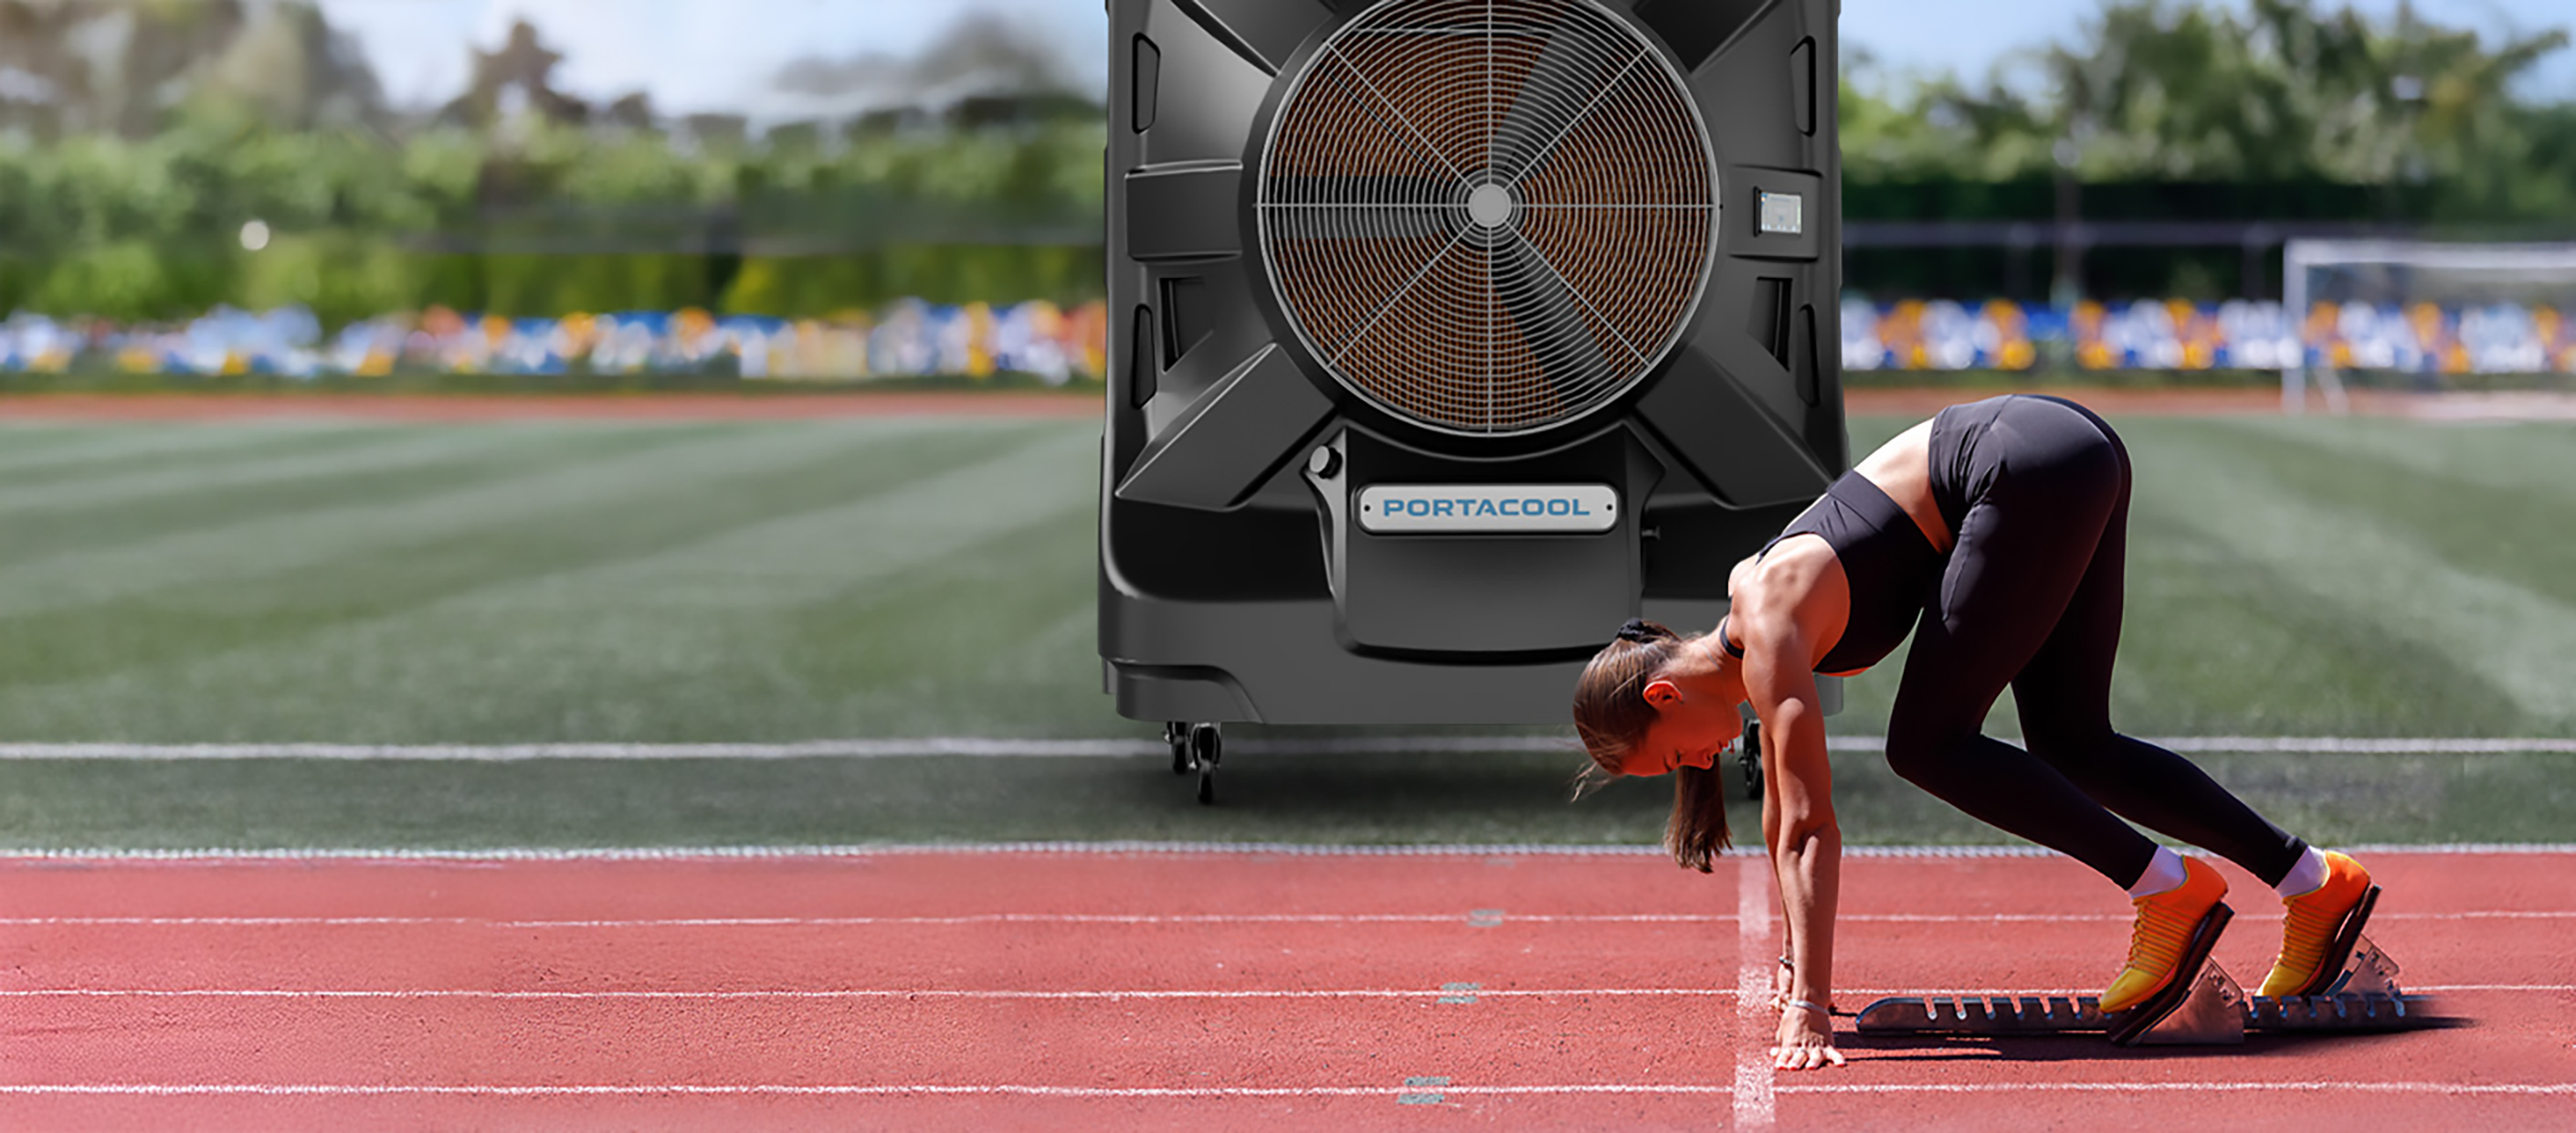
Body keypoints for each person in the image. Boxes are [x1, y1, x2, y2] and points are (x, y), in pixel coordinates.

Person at [1570, 393, 2376, 1071]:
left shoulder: (1770, 615)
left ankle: (2171, 891)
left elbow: (1809, 827)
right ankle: (2313, 881)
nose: (1700, 763)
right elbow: (1784, 812)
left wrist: (1810, 1007)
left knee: (1925, 744)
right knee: (2072, 740)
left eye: (1677, 754)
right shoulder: (1759, 621)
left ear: (1667, 693)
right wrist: (1792, 959)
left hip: (2026, 465)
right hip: (2068, 451)